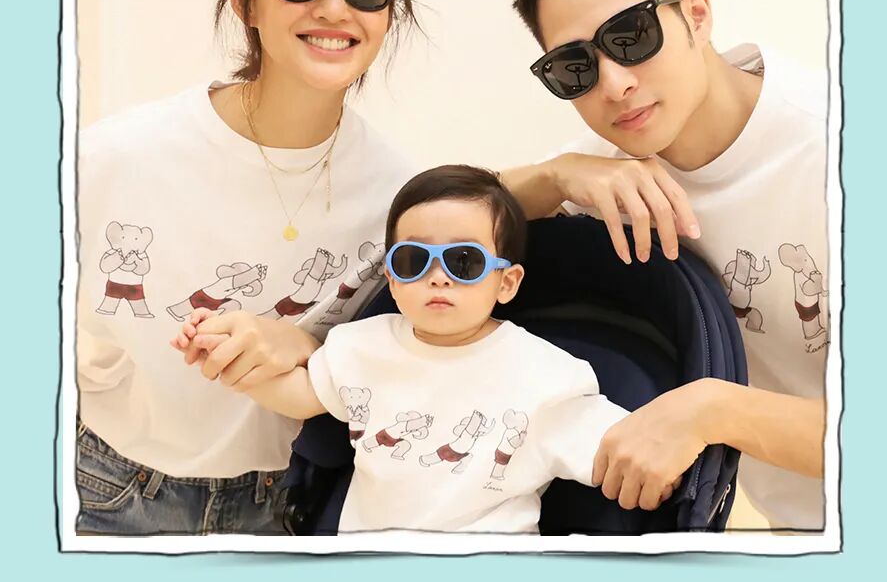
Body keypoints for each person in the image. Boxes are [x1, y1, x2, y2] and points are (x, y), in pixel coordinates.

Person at [76, 0, 420, 535]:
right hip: (108, 490)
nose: (333, 8)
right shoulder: (115, 155)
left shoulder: (398, 195)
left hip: (285, 508)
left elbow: (401, 353)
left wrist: (302, 343)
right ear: (246, 1)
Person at [502, 0, 828, 531]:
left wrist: (711, 411)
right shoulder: (607, 167)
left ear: (696, 14)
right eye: (574, 67)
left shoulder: (835, 150)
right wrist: (555, 174)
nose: (614, 84)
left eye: (631, 36)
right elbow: (441, 214)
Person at [174, 166, 632, 533]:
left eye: (464, 261)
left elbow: (623, 451)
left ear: (506, 282)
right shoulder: (362, 344)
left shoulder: (546, 375)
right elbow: (304, 395)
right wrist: (230, 361)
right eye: (414, 260)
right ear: (392, 279)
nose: (438, 276)